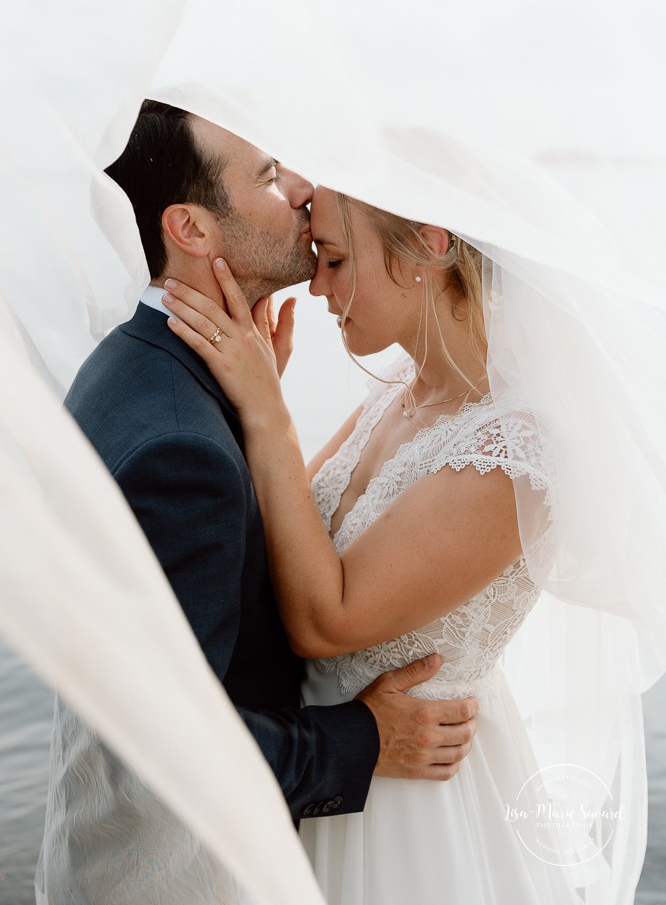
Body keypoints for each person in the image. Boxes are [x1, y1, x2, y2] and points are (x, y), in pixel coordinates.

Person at [36, 101, 479, 904]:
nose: (303, 189)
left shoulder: (134, 364)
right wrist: (364, 738)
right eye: (269, 175)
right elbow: (166, 748)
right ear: (191, 228)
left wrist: (259, 415)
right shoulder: (181, 442)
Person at [165, 183, 584, 904]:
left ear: (428, 246)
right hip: (336, 766)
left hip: (416, 812)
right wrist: (252, 403)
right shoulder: (401, 390)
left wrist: (268, 412)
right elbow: (286, 542)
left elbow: (325, 620)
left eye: (333, 260)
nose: (316, 286)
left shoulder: (514, 453)